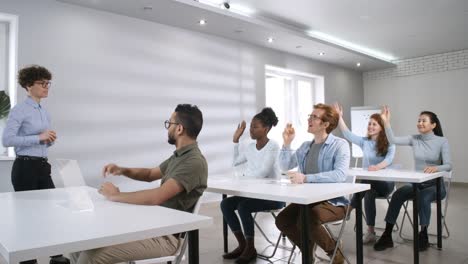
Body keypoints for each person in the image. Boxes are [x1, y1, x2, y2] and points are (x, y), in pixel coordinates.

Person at [70, 104, 208, 264]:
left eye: (169, 123)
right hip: (152, 225)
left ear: (179, 129)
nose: (168, 127)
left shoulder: (193, 162)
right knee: (81, 244)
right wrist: (122, 170)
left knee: (91, 256)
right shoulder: (179, 156)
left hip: (166, 237)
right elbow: (150, 174)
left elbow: (157, 197)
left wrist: (116, 195)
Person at [2, 65, 68, 264]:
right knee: (27, 218)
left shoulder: (44, 113)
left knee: (51, 211)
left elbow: (42, 140)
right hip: (25, 168)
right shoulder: (19, 110)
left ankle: (56, 256)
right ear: (29, 85)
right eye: (42, 83)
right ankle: (28, 259)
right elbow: (7, 140)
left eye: (48, 83)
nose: (47, 87)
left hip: (41, 166)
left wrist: (49, 140)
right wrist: (38, 137)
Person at [275, 103, 350, 264]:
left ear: (325, 124)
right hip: (308, 200)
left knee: (307, 217)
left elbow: (340, 174)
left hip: (334, 202)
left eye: (314, 117)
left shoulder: (340, 145)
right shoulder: (304, 146)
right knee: (282, 220)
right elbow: (284, 165)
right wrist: (287, 143)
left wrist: (306, 178)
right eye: (310, 116)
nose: (309, 119)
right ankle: (307, 249)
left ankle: (334, 252)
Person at [374, 106, 452, 252]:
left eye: (424, 120)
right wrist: (386, 122)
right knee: (398, 195)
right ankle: (387, 235)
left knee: (423, 196)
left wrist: (437, 168)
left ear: (433, 125)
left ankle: (423, 234)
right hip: (417, 184)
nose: (420, 123)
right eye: (419, 120)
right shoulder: (414, 139)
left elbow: (448, 165)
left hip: (435, 186)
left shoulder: (442, 141)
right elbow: (393, 139)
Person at [221, 107, 285, 264]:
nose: (251, 129)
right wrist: (235, 141)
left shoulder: (273, 146)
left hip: (273, 197)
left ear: (267, 128)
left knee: (243, 206)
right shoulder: (250, 147)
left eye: (255, 127)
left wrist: (242, 177)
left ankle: (250, 248)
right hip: (252, 194)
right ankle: (243, 245)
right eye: (251, 126)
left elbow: (262, 173)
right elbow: (235, 162)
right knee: (226, 204)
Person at [334, 103, 396, 244]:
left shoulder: (390, 142)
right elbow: (347, 134)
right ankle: (371, 232)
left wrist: (377, 167)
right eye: (369, 124)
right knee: (367, 192)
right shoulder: (365, 142)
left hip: (386, 184)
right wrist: (339, 117)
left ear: (381, 127)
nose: (370, 126)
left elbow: (389, 159)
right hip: (370, 186)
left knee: (363, 186)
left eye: (374, 124)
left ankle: (347, 210)